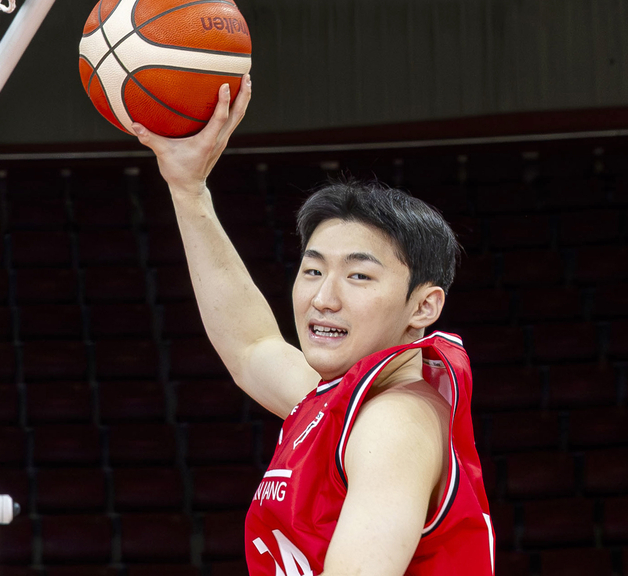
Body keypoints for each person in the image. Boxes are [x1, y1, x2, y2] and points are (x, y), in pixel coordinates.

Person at [132, 77, 493, 576]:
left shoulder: (393, 424)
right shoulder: (343, 400)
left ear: (424, 307)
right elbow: (251, 345)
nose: (324, 298)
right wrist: (188, 189)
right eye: (314, 270)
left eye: (359, 275)